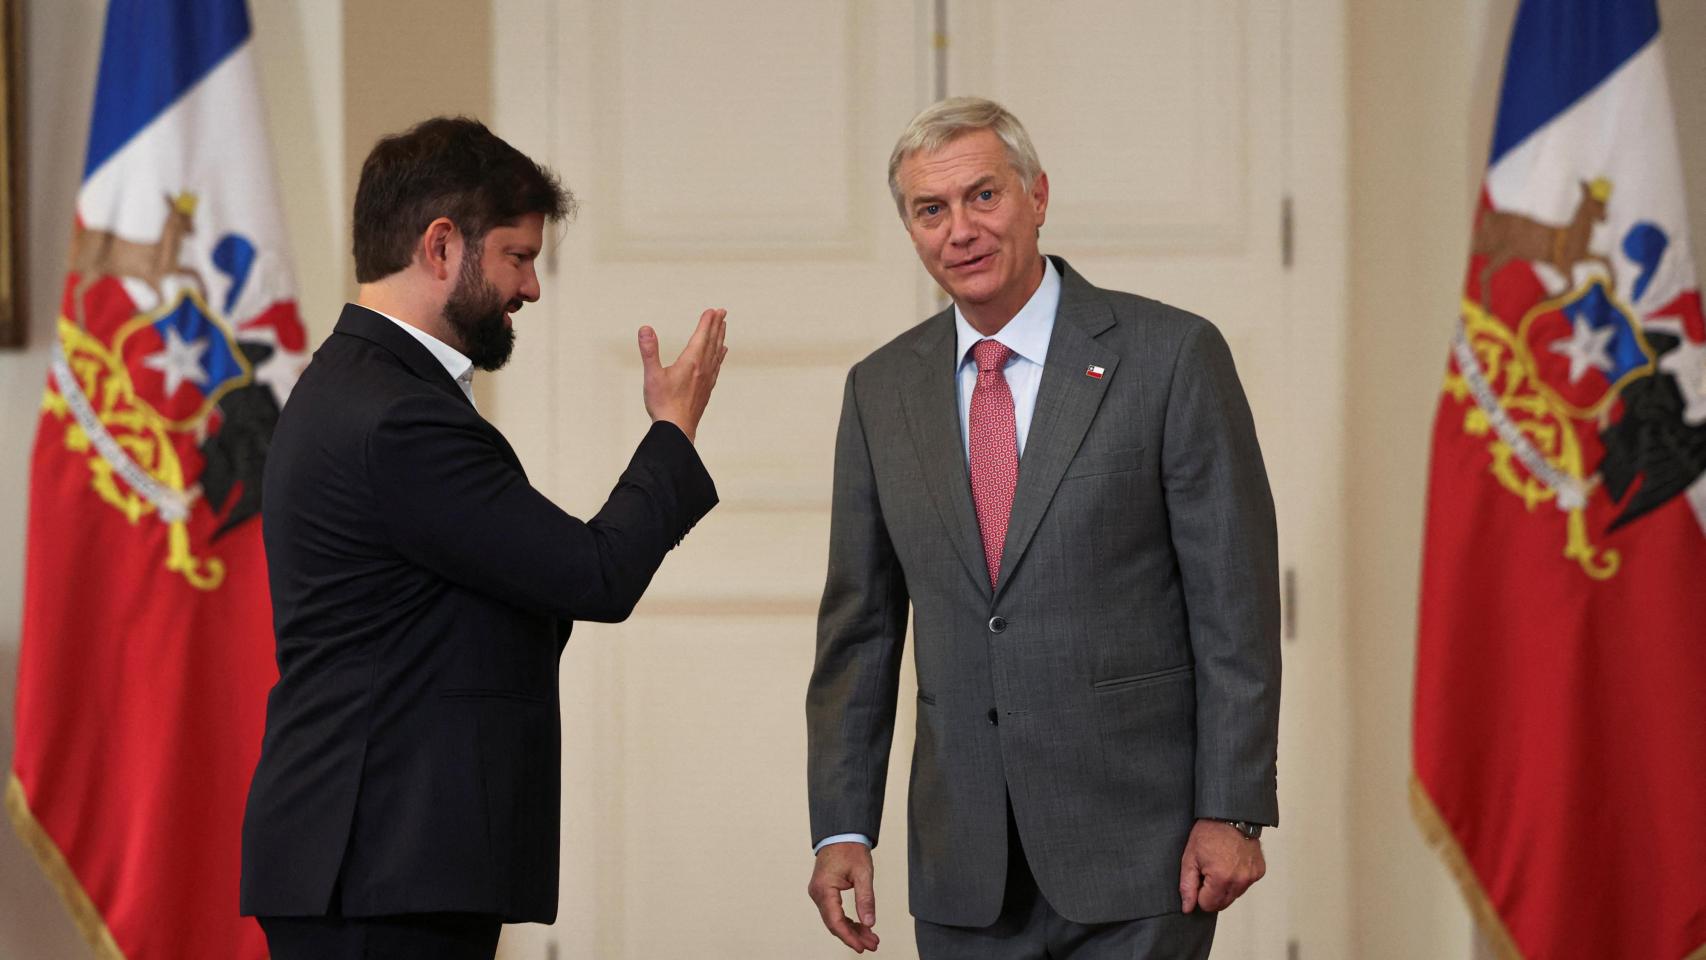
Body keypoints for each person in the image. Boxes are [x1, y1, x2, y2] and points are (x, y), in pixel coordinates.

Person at [240, 116, 726, 960]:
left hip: (377, 862)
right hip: (384, 866)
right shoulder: (399, 418)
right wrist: (672, 432)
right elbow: (595, 573)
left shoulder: (356, 387)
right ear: (441, 246)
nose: (530, 287)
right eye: (517, 256)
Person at [805, 97, 1280, 959]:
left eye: (983, 196)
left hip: (1143, 857)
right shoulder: (880, 391)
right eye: (931, 210)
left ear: (1038, 197)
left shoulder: (1170, 357)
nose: (960, 230)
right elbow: (859, 631)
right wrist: (842, 826)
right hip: (964, 870)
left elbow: (1233, 605)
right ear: (910, 230)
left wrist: (1233, 807)